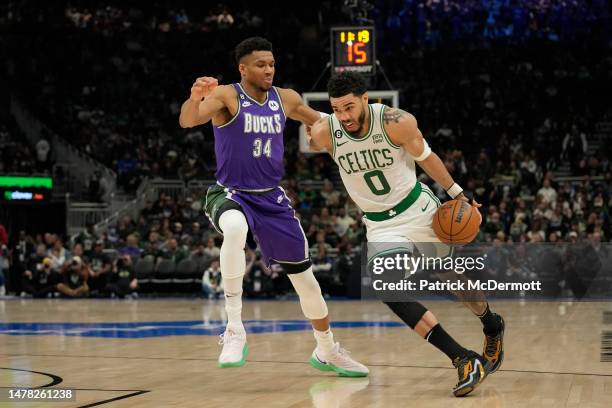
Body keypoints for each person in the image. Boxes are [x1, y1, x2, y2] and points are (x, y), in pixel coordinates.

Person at [179, 37, 367, 376]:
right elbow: (188, 120)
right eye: (261, 64)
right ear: (243, 68)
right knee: (235, 229)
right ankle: (234, 328)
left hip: (272, 198)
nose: (268, 69)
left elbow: (321, 121)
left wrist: (357, 122)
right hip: (231, 192)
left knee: (306, 281)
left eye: (272, 64)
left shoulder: (286, 97)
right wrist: (194, 98)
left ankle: (327, 350)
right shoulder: (226, 95)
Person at [309, 72, 505, 396]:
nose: (343, 116)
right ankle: (463, 358)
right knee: (388, 287)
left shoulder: (395, 122)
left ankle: (491, 323)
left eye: (349, 107)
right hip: (380, 225)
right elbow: (302, 119)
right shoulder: (326, 132)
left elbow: (426, 158)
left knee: (450, 279)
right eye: (336, 109)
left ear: (365, 100)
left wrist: (458, 194)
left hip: (418, 212)